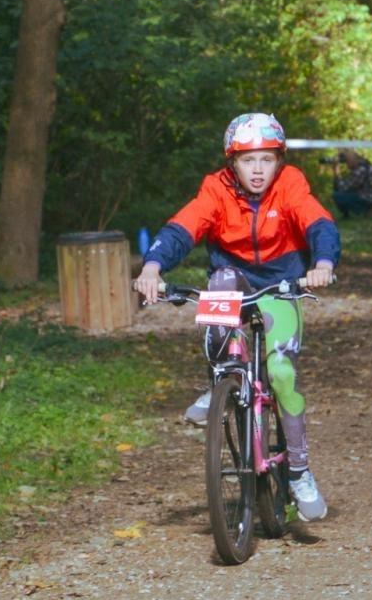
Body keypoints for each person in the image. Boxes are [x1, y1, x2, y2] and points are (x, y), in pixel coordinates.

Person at [133, 112, 339, 521]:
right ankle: (223, 379)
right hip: (233, 276)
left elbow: (319, 223)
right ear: (232, 163)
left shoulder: (291, 185)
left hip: (283, 281)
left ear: (279, 161)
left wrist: (324, 261)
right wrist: (154, 265)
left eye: (266, 159)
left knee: (280, 373)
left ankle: (298, 471)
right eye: (248, 160)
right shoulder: (216, 189)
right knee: (220, 286)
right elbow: (183, 228)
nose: (258, 170)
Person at [330, 148, 372, 218]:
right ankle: (367, 211)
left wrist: (336, 171)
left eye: (346, 161)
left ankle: (362, 211)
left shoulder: (360, 170)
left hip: (368, 199)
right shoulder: (365, 164)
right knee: (345, 194)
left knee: (337, 196)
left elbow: (343, 188)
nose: (346, 164)